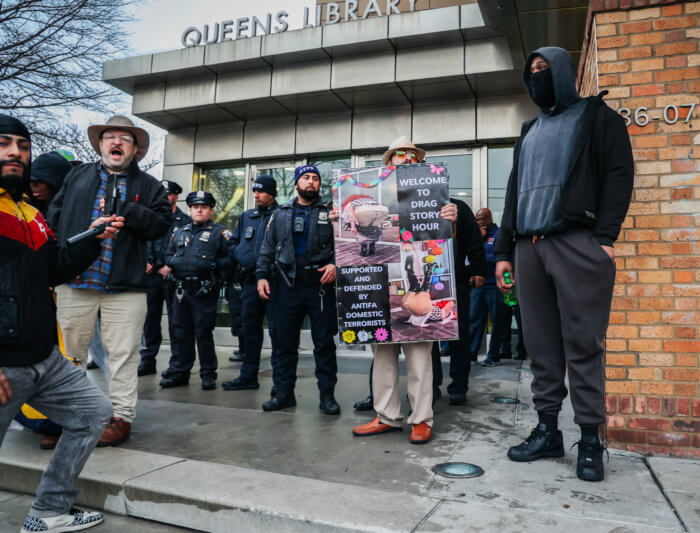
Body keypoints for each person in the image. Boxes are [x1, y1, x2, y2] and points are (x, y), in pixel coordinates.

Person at [494, 47, 633, 482]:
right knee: (540, 346)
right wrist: (502, 252)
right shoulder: (529, 129)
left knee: (584, 344)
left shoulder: (598, 119)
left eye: (544, 70)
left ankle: (590, 439)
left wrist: (605, 238)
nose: (537, 78)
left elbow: (618, 174)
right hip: (528, 247)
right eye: (531, 72)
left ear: (564, 73)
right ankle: (547, 430)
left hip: (575, 242)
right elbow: (514, 193)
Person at [0, 114, 120, 532]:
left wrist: (93, 237)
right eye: (3, 143)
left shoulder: (30, 213)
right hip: (5, 366)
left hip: (44, 359)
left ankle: (49, 510)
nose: (15, 152)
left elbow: (54, 269)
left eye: (22, 145)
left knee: (94, 412)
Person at [48, 115, 171, 447]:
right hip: (76, 280)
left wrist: (128, 212)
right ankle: (67, 419)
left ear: (134, 150)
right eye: (110, 137)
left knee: (123, 354)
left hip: (125, 286)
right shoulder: (76, 176)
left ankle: (120, 418)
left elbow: (161, 225)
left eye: (125, 139)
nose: (117, 143)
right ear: (101, 144)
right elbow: (54, 218)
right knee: (69, 355)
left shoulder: (148, 185)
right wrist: (54, 263)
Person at [351, 137, 456, 444]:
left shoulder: (435, 193)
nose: (407, 158)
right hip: (380, 274)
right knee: (382, 354)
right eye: (400, 155)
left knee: (420, 353)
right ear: (389, 162)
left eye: (412, 155)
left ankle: (421, 418)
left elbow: (449, 238)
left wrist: (453, 218)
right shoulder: (376, 194)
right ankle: (386, 415)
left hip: (419, 266)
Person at [256, 165, 340, 415]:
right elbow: (267, 247)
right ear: (296, 183)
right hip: (287, 285)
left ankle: (327, 396)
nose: (311, 182)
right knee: (283, 343)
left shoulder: (331, 212)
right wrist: (261, 275)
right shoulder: (280, 213)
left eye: (315, 179)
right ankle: (283, 394)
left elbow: (347, 242)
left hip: (320, 286)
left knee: (324, 344)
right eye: (306, 178)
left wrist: (336, 263)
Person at [159, 191, 235, 390]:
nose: (199, 210)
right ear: (190, 209)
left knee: (203, 333)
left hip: (204, 291)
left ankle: (208, 374)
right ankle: (181, 373)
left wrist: (214, 268)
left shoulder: (221, 233)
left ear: (211, 210)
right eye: (195, 207)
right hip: (181, 292)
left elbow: (232, 260)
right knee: (181, 333)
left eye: (203, 207)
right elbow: (168, 254)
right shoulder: (179, 232)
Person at [223, 175, 279, 391]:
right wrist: (240, 254)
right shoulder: (247, 216)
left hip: (274, 282)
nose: (256, 194)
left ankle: (280, 384)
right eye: (254, 191)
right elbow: (232, 243)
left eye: (261, 191)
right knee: (249, 330)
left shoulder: (281, 214)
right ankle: (248, 377)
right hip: (249, 282)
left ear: (272, 192)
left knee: (277, 331)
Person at [430, 199, 486, 405]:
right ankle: (431, 386)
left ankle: (459, 386)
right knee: (427, 340)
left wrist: (479, 270)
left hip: (456, 280)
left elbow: (474, 240)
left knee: (459, 335)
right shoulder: (408, 208)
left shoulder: (457, 206)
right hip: (422, 283)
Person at [139, 180, 191, 377]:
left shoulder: (184, 221)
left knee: (176, 322)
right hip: (151, 277)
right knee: (149, 321)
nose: (163, 197)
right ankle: (148, 361)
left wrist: (171, 265)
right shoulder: (151, 218)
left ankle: (176, 363)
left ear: (176, 196)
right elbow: (143, 242)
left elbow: (188, 247)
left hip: (173, 276)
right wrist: (146, 261)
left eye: (167, 194)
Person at [468, 207, 510, 367]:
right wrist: (479, 240)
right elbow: (471, 256)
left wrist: (482, 252)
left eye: (482, 219)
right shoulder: (477, 235)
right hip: (479, 286)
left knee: (497, 320)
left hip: (495, 285)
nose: (479, 222)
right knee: (474, 319)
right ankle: (471, 354)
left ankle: (493, 355)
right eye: (477, 219)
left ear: (489, 218)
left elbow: (497, 256)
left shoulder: (499, 234)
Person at [27, 151, 72, 218]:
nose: (32, 186)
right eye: (30, 181)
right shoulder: (26, 209)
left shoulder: (73, 211)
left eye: (38, 181)